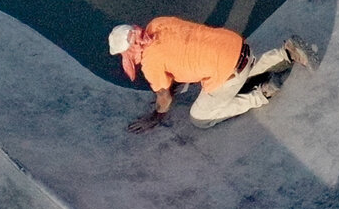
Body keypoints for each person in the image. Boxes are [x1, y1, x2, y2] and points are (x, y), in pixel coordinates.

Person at [110, 17, 312, 132]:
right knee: (239, 68)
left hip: (228, 71)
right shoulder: (158, 23)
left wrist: (155, 117)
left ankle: (260, 95)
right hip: (238, 45)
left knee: (200, 118)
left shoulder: (150, 63)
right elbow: (175, 49)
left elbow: (165, 98)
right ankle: (286, 53)